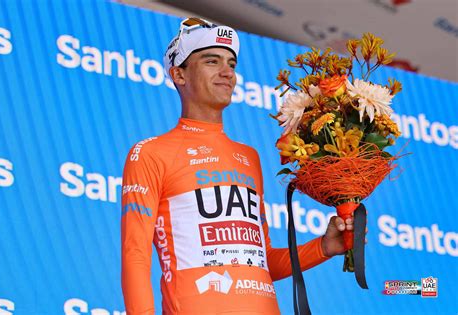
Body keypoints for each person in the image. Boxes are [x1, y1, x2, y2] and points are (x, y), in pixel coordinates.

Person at [121, 17, 359, 315]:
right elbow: (135, 255)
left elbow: (263, 261)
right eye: (212, 61)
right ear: (179, 75)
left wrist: (324, 247)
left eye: (231, 64)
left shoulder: (248, 157)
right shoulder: (151, 153)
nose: (227, 73)